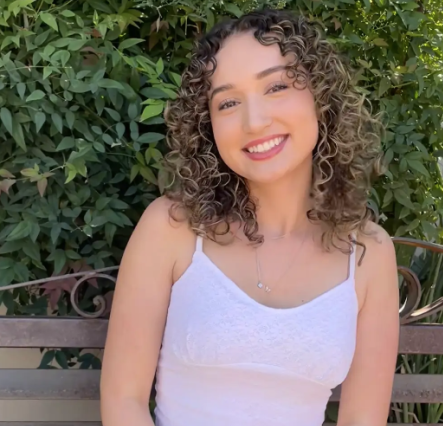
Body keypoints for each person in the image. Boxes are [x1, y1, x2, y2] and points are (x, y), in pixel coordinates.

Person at [100, 8, 399, 426]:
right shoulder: (172, 228)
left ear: (321, 97)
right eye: (228, 102)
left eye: (276, 86)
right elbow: (123, 401)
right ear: (209, 126)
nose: (254, 121)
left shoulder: (369, 253)